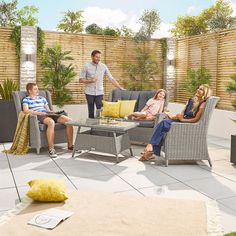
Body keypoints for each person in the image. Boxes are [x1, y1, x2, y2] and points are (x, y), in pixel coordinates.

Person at [139, 84, 212, 161]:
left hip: (188, 124)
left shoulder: (202, 104)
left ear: (205, 93)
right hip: (182, 120)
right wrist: (172, 116)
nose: (198, 90)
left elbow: (196, 119)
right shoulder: (191, 100)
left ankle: (150, 148)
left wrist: (183, 119)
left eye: (201, 89)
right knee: (163, 124)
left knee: (163, 124)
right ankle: (150, 151)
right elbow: (182, 114)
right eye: (198, 88)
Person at [22, 83, 74, 158]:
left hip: (48, 113)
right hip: (40, 115)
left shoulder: (42, 98)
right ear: (30, 91)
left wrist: (53, 112)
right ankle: (51, 149)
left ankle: (70, 146)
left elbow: (48, 110)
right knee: (51, 122)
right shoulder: (26, 99)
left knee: (70, 121)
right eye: (35, 89)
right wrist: (38, 113)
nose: (38, 90)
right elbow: (25, 110)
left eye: (37, 88)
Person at [79, 50, 125, 118]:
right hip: (89, 92)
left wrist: (120, 87)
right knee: (91, 111)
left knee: (100, 110)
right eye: (97, 57)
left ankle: (99, 126)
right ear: (92, 57)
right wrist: (90, 80)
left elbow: (111, 78)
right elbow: (80, 80)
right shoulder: (86, 66)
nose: (98, 59)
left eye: (99, 57)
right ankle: (92, 127)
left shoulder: (103, 66)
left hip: (99, 92)